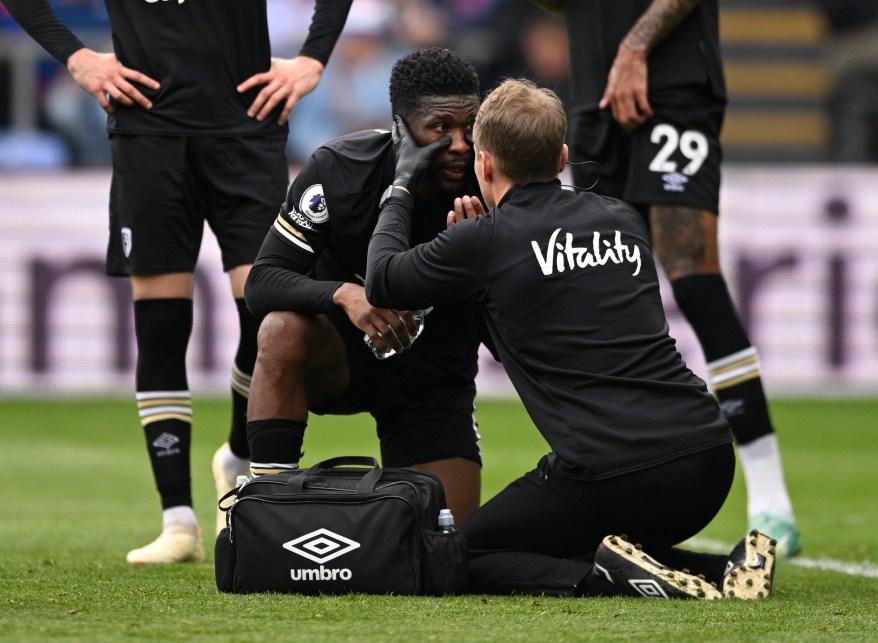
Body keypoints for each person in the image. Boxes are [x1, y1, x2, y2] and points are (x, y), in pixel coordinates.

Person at [365, 78, 776, 599]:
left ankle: (609, 582)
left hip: (615, 471)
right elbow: (541, 315)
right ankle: (721, 570)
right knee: (564, 530)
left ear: (483, 164)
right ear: (561, 156)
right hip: (708, 458)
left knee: (461, 555)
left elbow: (381, 279)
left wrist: (400, 186)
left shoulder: (485, 241)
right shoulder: (623, 219)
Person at [2, 0, 345, 563]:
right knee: (161, 325)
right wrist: (76, 57)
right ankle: (177, 522)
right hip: (147, 132)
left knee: (264, 313)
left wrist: (313, 59)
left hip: (245, 128)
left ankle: (237, 453)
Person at [535, 0, 802, 555]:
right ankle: (609, 481)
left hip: (672, 84)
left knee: (693, 277)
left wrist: (636, 48)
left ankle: (772, 501)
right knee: (593, 285)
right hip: (595, 94)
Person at [241, 47, 485, 527]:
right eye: (441, 128)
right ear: (400, 127)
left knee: (449, 548)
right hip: (342, 357)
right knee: (280, 328)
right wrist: (344, 295)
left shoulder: (494, 182)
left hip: (435, 380)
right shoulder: (339, 169)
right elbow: (262, 282)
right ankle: (262, 511)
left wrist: (483, 262)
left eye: (471, 127)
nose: (460, 144)